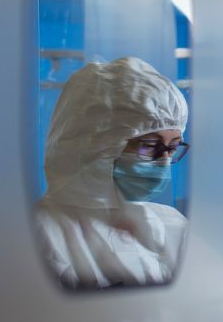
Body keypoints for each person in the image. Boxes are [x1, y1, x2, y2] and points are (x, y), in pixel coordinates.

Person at [35, 56, 190, 290]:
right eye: (149, 145)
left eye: (173, 147)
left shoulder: (172, 224)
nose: (164, 161)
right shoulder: (41, 233)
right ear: (96, 145)